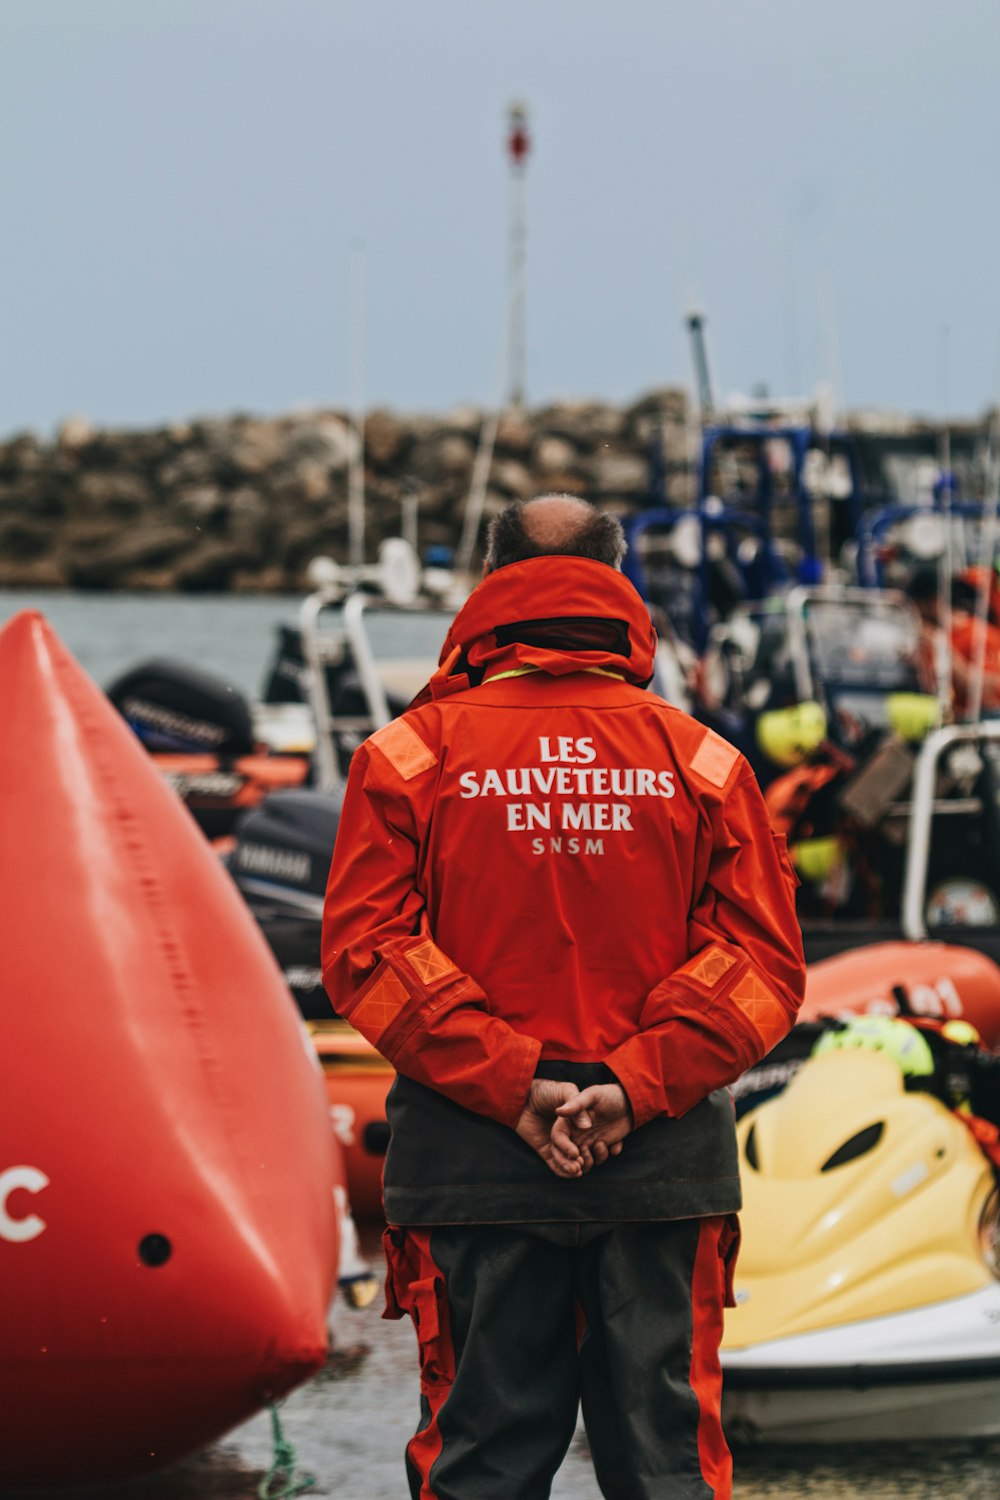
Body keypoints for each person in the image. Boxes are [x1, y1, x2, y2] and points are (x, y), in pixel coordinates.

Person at [321, 494, 806, 1500]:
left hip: (473, 1166)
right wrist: (631, 1086)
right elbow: (762, 964)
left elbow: (369, 953)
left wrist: (517, 1082)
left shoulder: (407, 756)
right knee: (670, 1465)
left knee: (480, 1466)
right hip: (662, 1169)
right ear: (618, 585)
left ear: (488, 588)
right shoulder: (703, 761)